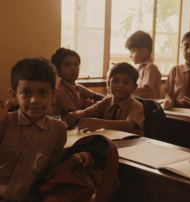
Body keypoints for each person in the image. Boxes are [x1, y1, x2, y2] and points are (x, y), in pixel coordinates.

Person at [0, 57, 94, 201]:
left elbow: (50, 173)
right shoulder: (5, 122)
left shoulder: (57, 130)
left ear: (53, 95)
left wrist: (73, 160)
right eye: (26, 93)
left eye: (42, 93)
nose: (35, 100)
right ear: (14, 95)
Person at [66, 62, 145, 136]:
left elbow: (129, 125)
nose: (120, 85)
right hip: (110, 142)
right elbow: (86, 112)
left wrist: (101, 123)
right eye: (116, 81)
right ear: (108, 84)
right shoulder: (106, 102)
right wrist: (76, 114)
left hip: (132, 145)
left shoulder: (136, 106)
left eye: (126, 82)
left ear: (134, 87)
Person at [51, 48, 105, 122]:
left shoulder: (76, 86)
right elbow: (74, 115)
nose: (73, 68)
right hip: (66, 128)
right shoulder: (61, 91)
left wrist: (111, 101)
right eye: (67, 65)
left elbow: (95, 95)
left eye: (76, 64)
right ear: (58, 71)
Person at [125, 30, 162, 99]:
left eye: (132, 52)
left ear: (144, 51)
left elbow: (145, 90)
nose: (130, 56)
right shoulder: (137, 68)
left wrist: (125, 91)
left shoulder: (150, 67)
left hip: (150, 106)